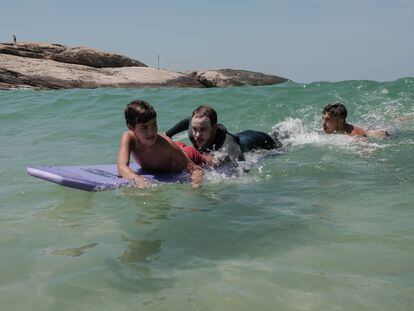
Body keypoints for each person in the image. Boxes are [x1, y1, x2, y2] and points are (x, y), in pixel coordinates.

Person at [117, 100, 204, 188]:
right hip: (176, 149)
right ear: (131, 127)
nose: (151, 132)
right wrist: (136, 178)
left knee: (211, 161)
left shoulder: (166, 145)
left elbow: (196, 169)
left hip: (188, 153)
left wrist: (195, 187)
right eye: (144, 127)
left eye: (154, 125)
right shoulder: (128, 137)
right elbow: (121, 167)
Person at [166, 105, 281, 165]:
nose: (197, 135)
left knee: (281, 146)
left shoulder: (228, 145)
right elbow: (187, 121)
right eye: (195, 129)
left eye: (203, 129)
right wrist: (168, 135)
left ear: (214, 128)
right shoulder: (195, 129)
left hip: (262, 141)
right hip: (242, 134)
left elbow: (241, 167)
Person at [322, 102, 389, 137]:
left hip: (383, 134)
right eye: (323, 119)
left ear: (340, 121)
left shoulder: (355, 135)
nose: (323, 123)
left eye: (328, 120)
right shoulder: (335, 130)